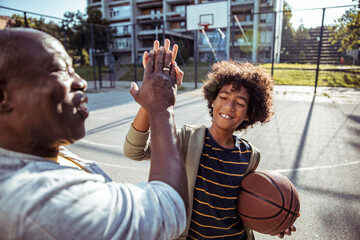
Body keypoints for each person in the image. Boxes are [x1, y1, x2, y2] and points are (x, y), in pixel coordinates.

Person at [0, 28, 189, 240]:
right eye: (60, 69)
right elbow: (168, 209)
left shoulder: (37, 152)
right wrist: (161, 105)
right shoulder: (35, 198)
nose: (81, 82)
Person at [124, 58, 297, 239]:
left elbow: (248, 204)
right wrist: (149, 101)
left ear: (248, 114)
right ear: (212, 101)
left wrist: (274, 221)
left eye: (240, 103)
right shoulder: (186, 139)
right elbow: (134, 151)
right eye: (223, 97)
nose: (229, 106)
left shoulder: (249, 155)